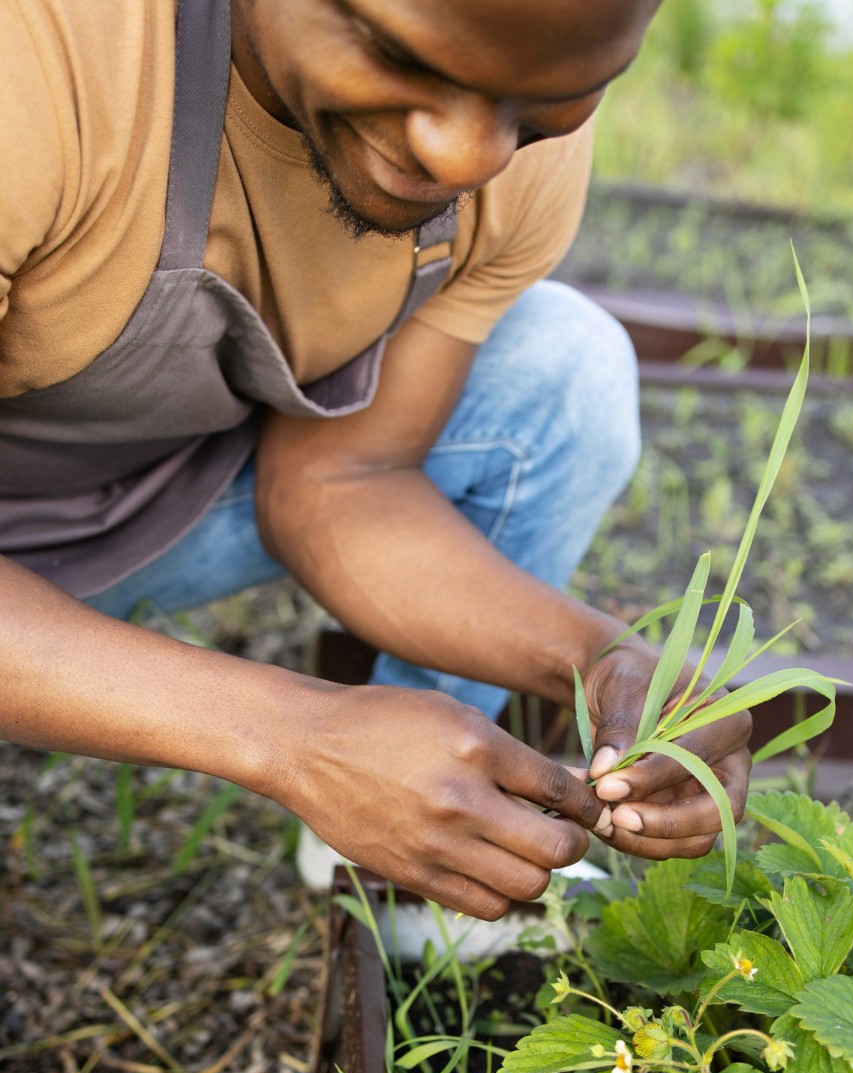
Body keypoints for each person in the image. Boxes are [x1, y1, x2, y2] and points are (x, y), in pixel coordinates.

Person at [0, 0, 751, 920]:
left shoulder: (515, 148)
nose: (467, 157)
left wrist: (597, 655)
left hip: (141, 513)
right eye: (402, 57)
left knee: (563, 371)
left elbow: (342, 481)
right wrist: (295, 734)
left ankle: (412, 860)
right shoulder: (42, 58)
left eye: (542, 101)